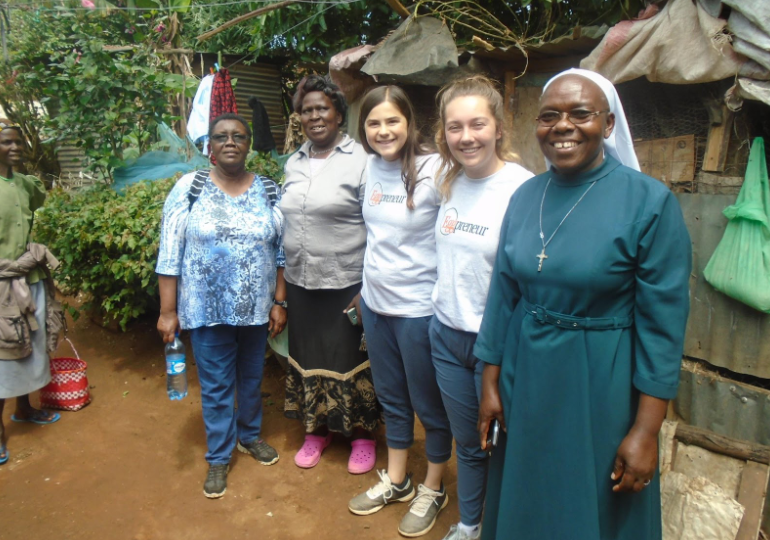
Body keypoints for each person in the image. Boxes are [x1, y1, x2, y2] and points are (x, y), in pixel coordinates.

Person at [475, 68, 692, 540]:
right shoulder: (525, 195)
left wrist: (645, 432)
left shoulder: (649, 203)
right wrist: (489, 382)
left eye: (580, 114)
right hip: (525, 375)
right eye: (549, 115)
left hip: (601, 384)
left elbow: (663, 329)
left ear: (608, 125)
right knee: (527, 492)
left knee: (591, 502)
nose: (562, 126)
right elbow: (503, 294)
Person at [156, 113, 286, 499]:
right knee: (215, 386)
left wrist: (279, 301)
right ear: (208, 146)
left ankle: (249, 435)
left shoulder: (268, 189)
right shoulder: (189, 188)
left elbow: (282, 251)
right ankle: (218, 455)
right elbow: (169, 252)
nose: (230, 142)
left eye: (238, 136)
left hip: (255, 308)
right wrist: (167, 312)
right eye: (221, 137)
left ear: (249, 144)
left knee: (250, 379)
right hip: (205, 309)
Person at [429, 76, 534, 540]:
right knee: (468, 443)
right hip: (446, 334)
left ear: (497, 127)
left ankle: (504, 526)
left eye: (476, 124)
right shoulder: (447, 181)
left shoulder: (523, 188)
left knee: (505, 444)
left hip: (497, 343)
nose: (466, 137)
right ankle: (470, 525)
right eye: (455, 127)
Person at [347, 86, 453, 537]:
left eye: (392, 121)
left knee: (428, 403)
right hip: (376, 304)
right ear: (364, 129)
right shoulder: (370, 166)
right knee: (391, 396)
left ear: (410, 123)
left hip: (418, 309)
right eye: (374, 123)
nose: (383, 130)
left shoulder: (435, 169)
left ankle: (434, 484)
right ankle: (397, 478)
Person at [280, 75, 380, 472]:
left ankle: (362, 436)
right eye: (307, 110)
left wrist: (368, 286)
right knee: (308, 355)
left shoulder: (363, 161)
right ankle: (316, 432)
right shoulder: (294, 160)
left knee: (349, 359)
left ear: (339, 112)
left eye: (322, 108)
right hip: (302, 282)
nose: (315, 116)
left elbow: (378, 225)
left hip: (347, 283)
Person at [0, 120, 60, 467]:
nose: (16, 147)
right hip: (4, 284)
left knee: (29, 344)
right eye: (7, 142)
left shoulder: (23, 184)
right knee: (5, 350)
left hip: (29, 278)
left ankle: (24, 409)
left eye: (18, 142)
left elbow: (38, 197)